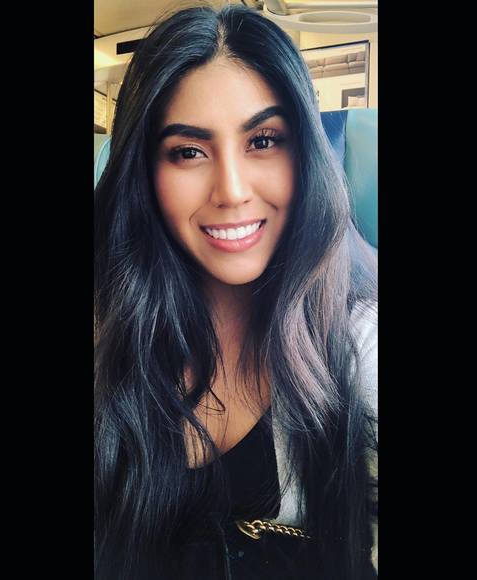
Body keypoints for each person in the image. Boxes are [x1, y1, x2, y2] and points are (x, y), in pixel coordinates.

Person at [94, 3, 377, 579]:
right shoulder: (107, 328)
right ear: (145, 172)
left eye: (264, 140)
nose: (231, 190)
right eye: (188, 152)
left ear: (305, 154)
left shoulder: (358, 338)